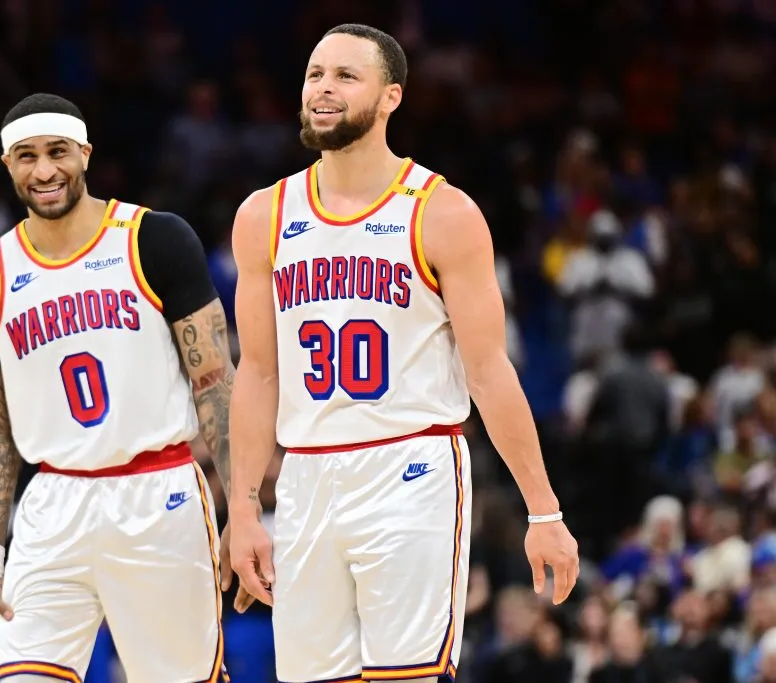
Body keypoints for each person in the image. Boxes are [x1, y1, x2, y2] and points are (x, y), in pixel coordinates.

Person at [226, 24, 580, 683]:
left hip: (411, 467)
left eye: (345, 76)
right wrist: (243, 507)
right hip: (305, 475)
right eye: (315, 74)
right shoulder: (263, 215)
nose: (324, 88)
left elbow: (489, 370)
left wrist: (544, 509)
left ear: (391, 97)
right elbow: (259, 371)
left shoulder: (443, 212)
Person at [0, 93, 234, 683]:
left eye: (58, 152)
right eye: (27, 157)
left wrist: (247, 507)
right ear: (8, 165)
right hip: (52, 503)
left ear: (85, 152)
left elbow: (215, 384)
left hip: (160, 492)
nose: (45, 170)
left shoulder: (153, 239)